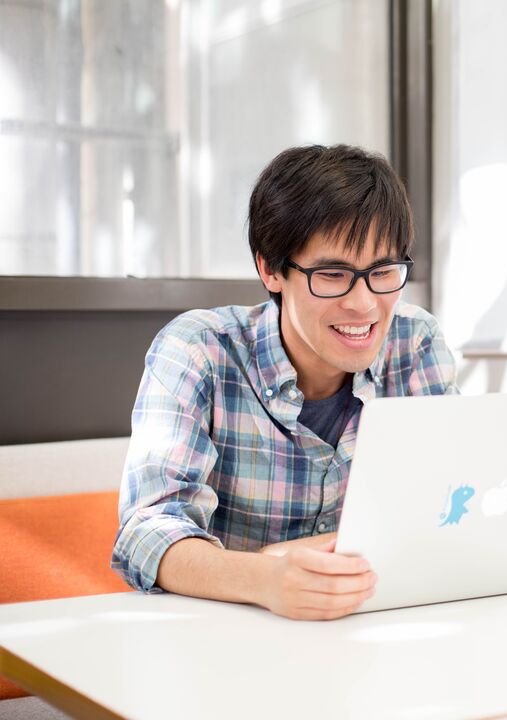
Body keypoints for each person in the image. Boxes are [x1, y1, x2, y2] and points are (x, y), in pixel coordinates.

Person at [111, 145, 458, 620]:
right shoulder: (199, 350)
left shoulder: (415, 342)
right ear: (270, 269)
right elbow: (147, 533)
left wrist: (289, 556)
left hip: (372, 626)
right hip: (223, 640)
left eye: (382, 272)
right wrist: (266, 580)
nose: (364, 304)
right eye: (333, 274)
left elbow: (448, 504)